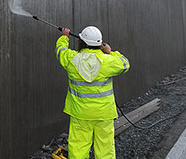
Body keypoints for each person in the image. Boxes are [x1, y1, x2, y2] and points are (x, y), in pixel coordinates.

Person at [55, 26, 130, 159]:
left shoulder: (72, 60)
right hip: (104, 114)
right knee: (105, 149)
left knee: (78, 148)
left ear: (81, 42)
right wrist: (110, 52)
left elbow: (60, 51)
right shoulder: (107, 61)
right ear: (99, 44)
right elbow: (125, 64)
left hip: (80, 114)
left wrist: (64, 37)